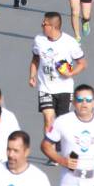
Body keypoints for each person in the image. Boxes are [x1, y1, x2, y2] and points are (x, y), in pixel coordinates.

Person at [29, 13, 86, 147]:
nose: (42, 25)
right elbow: (35, 59)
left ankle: (62, 145)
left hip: (64, 89)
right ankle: (51, 150)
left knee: (61, 122)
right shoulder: (39, 40)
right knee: (48, 119)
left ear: (53, 26)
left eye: (45, 23)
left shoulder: (69, 42)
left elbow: (83, 63)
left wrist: (70, 73)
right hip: (45, 88)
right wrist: (32, 76)